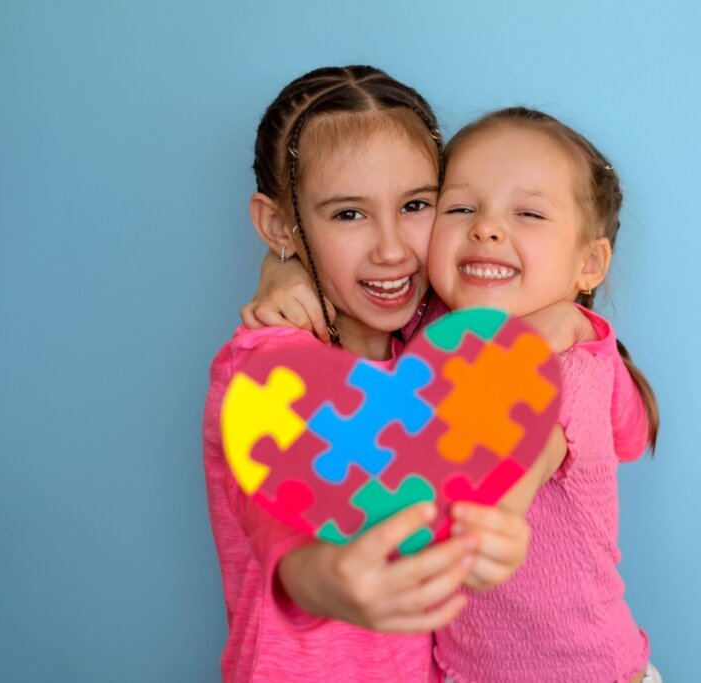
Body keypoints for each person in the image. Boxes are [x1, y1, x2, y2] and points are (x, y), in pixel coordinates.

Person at [246, 106, 661, 682]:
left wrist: (490, 521)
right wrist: (283, 271)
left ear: (588, 263)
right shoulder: (434, 329)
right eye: (461, 207)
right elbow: (332, 258)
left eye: (529, 213)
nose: (487, 227)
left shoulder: (564, 370)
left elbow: (524, 450)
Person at [204, 66, 531, 683]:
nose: (391, 250)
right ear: (280, 224)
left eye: (415, 205)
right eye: (348, 214)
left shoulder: (430, 342)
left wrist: (287, 268)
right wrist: (328, 579)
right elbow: (279, 526)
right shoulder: (262, 369)